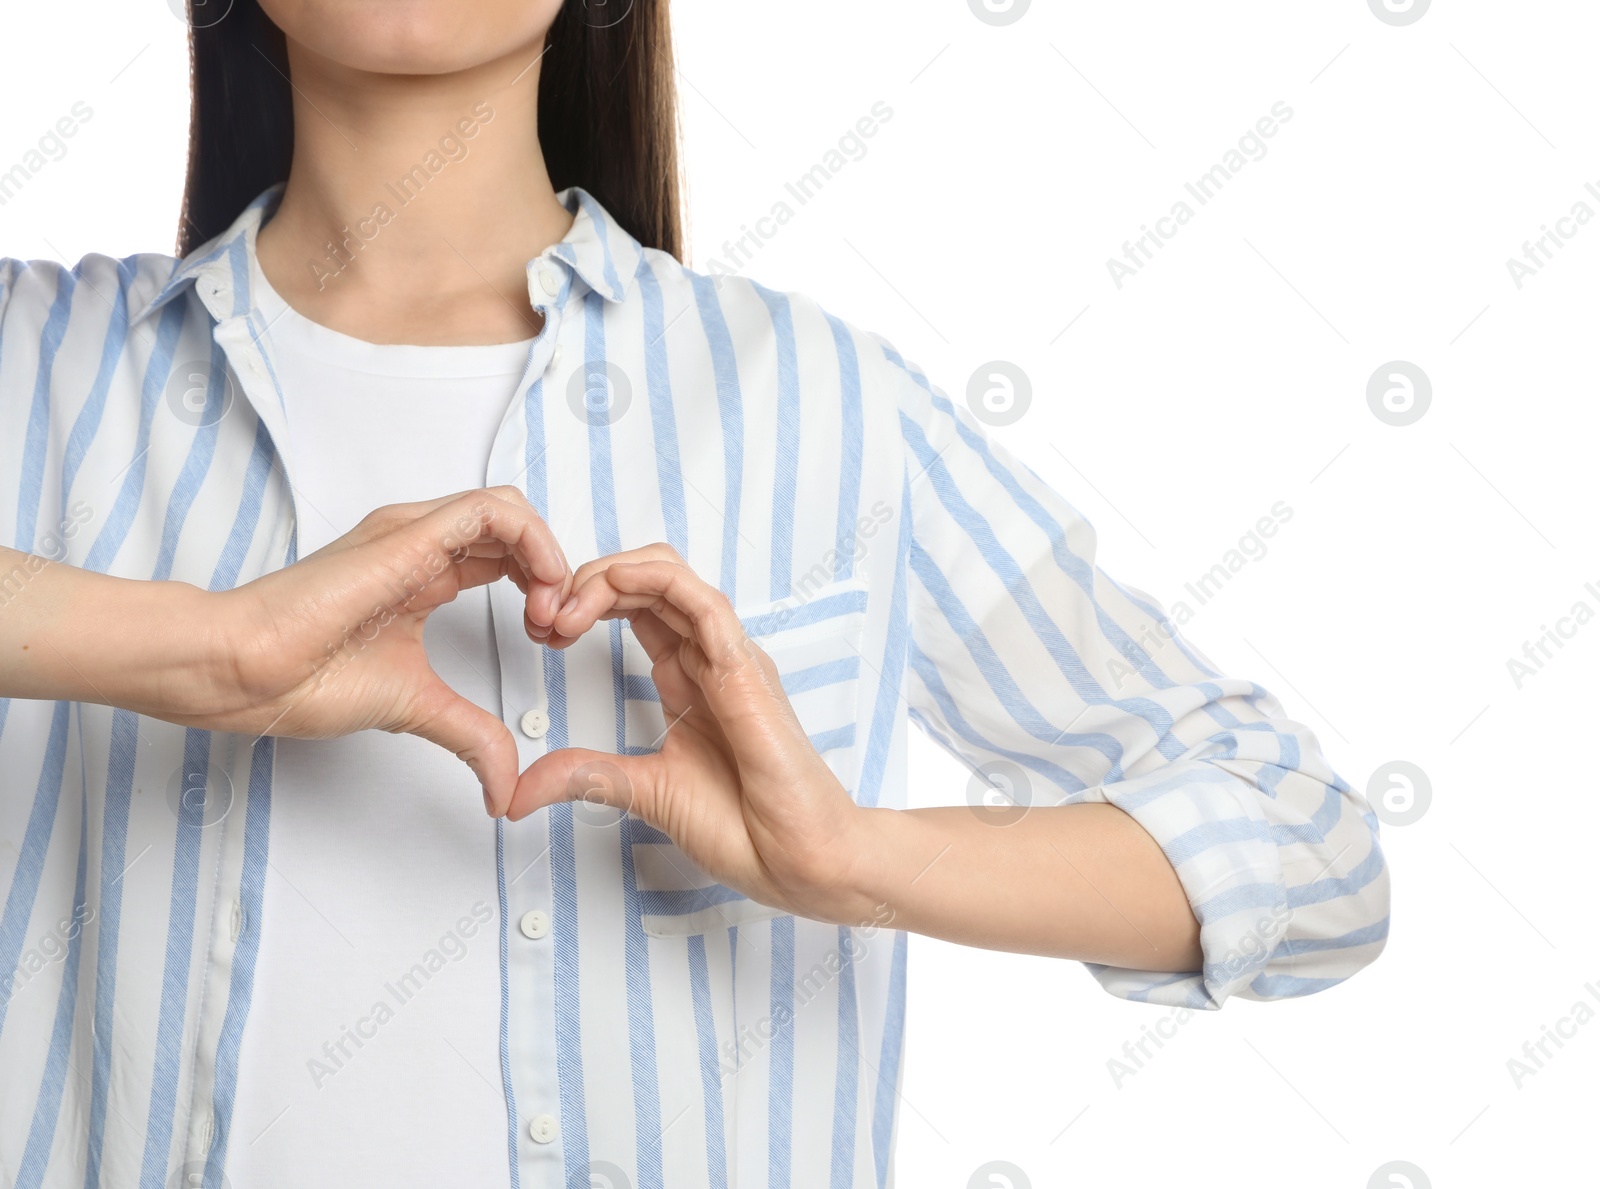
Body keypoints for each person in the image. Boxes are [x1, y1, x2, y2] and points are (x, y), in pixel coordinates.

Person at [0, 2, 1390, 1185]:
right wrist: (210, 648)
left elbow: (1311, 849)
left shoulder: (821, 401)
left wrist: (849, 857)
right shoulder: (37, 367)